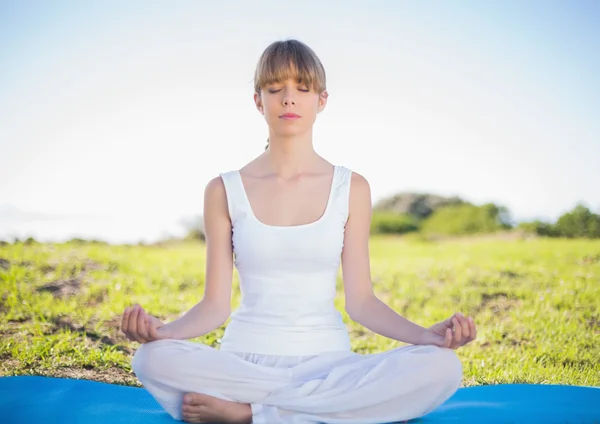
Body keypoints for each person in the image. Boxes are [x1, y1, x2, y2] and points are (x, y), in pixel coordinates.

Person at [120, 39, 477, 424]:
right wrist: (163, 332)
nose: (289, 99)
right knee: (152, 358)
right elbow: (214, 306)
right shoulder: (223, 190)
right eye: (275, 89)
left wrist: (428, 337)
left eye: (302, 89)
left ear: (321, 100)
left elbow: (362, 303)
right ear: (258, 101)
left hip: (329, 365)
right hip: (244, 367)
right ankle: (331, 411)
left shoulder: (351, 188)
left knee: (442, 367)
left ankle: (251, 416)